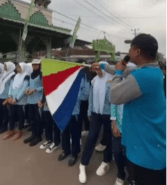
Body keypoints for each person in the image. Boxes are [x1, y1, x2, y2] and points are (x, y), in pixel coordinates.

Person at [94, 34, 166, 185]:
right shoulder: (153, 71)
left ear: (137, 51)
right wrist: (103, 66)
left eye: (130, 48)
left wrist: (119, 73)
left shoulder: (143, 76)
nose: (128, 52)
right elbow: (120, 70)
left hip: (145, 155)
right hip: (149, 147)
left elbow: (114, 96)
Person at [79, 62, 113, 183]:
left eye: (100, 68)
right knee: (92, 136)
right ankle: (83, 164)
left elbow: (114, 100)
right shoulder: (94, 81)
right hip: (95, 113)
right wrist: (89, 111)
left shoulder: (112, 80)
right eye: (96, 68)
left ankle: (106, 161)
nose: (98, 71)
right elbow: (91, 98)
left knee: (109, 138)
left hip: (109, 114)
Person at [58, 70, 90, 167]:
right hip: (64, 110)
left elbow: (86, 94)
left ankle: (74, 153)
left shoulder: (83, 78)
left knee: (75, 133)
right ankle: (66, 150)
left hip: (75, 111)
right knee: (64, 131)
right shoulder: (66, 77)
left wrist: (74, 93)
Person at [3, 63, 30, 140]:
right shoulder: (15, 76)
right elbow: (11, 87)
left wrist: (16, 99)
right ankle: (11, 130)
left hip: (20, 102)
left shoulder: (25, 77)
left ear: (23, 68)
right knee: (11, 115)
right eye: (18, 67)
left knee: (20, 116)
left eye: (20, 67)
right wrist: (9, 97)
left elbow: (23, 89)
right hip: (12, 101)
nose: (18, 69)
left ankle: (20, 131)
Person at [24, 59, 43, 147]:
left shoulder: (41, 74)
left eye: (37, 65)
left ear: (39, 65)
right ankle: (33, 134)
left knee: (37, 119)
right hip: (30, 100)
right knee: (31, 118)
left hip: (37, 101)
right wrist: (27, 89)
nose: (35, 66)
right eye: (33, 65)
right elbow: (29, 85)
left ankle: (38, 136)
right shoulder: (31, 75)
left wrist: (35, 89)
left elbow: (44, 86)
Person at [0, 62, 15, 135]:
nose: (4, 67)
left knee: (5, 113)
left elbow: (11, 87)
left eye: (6, 66)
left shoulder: (12, 75)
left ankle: (4, 127)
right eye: (4, 66)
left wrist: (8, 97)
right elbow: (0, 84)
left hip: (6, 97)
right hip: (0, 96)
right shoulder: (4, 74)